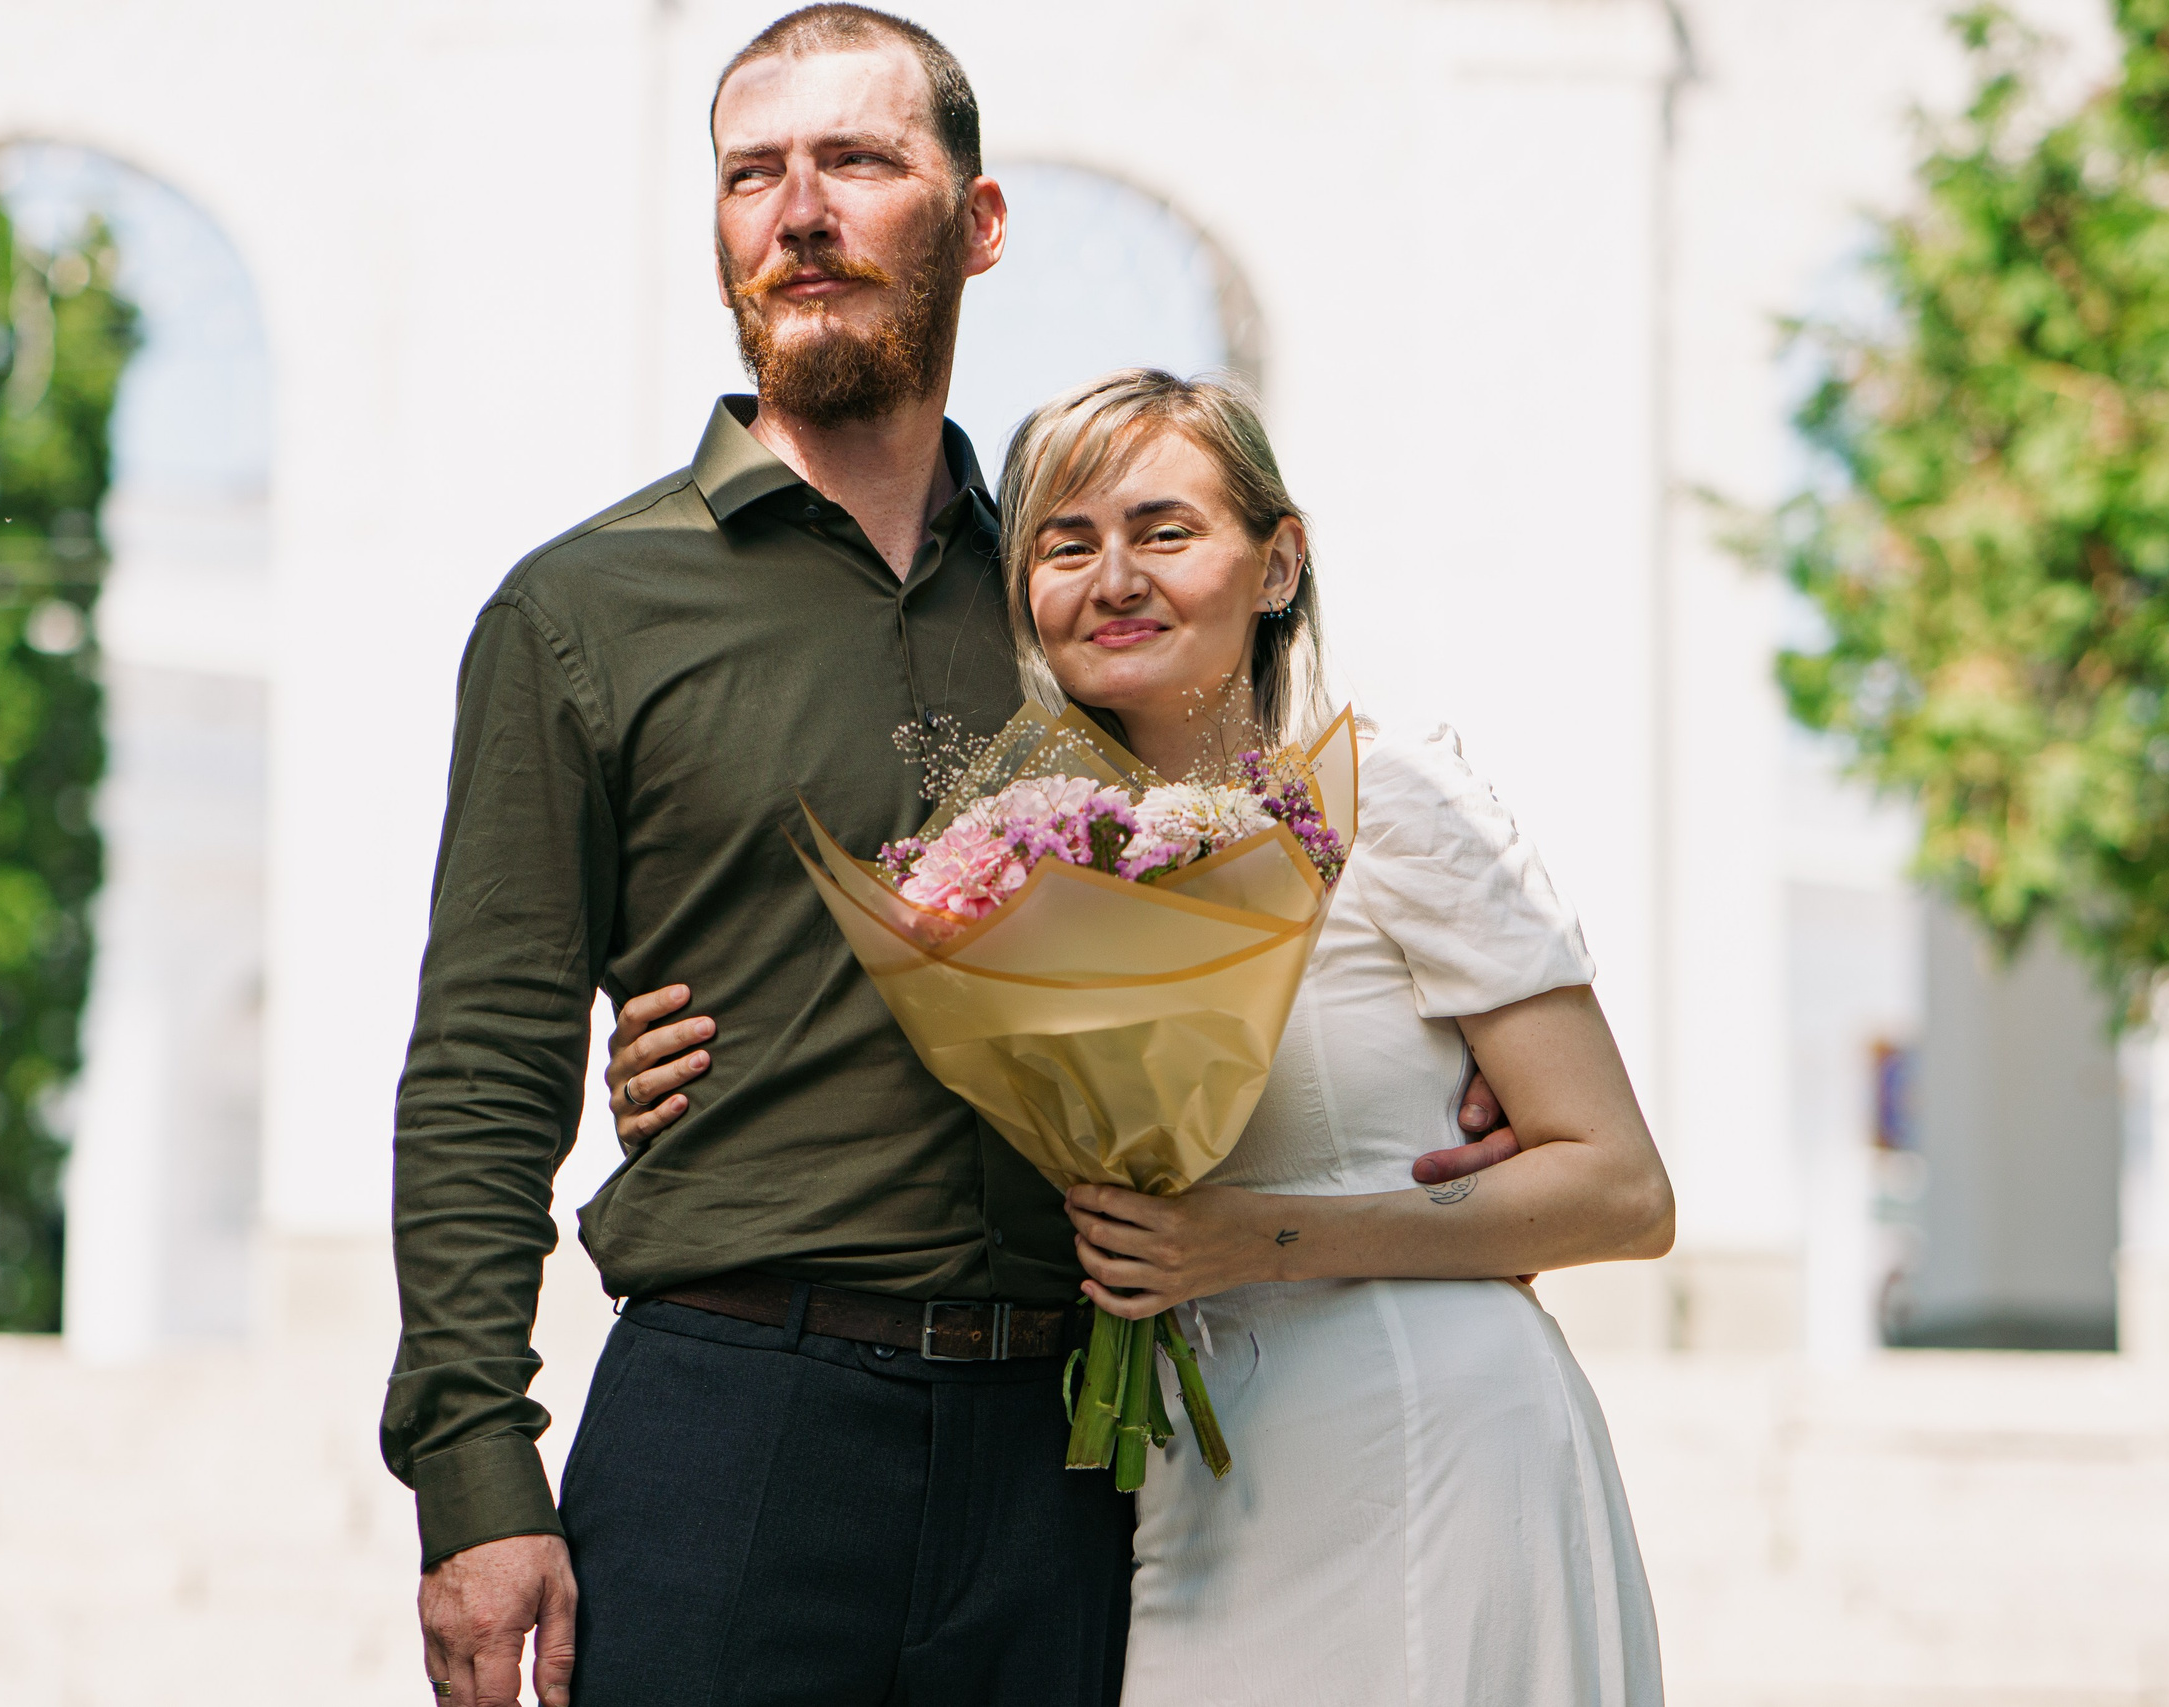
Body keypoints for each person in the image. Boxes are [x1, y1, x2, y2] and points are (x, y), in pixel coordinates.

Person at [387, 8, 1523, 1704]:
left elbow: (1225, 861)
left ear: (978, 225)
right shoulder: (585, 613)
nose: (799, 211)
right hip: (734, 1423)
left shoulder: (1075, 615)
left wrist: (1413, 1063)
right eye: (752, 174)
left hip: (1061, 1456)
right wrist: (474, 1480)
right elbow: (484, 1064)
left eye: (857, 160)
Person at [1014, 368, 1675, 1703]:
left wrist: (1253, 1239)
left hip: (1424, 1439)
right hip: (1195, 1478)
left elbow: (1619, 1186)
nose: (1114, 576)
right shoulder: (1026, 867)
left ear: (1278, 564)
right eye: (1066, 542)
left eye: (1166, 531)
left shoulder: (1391, 798)